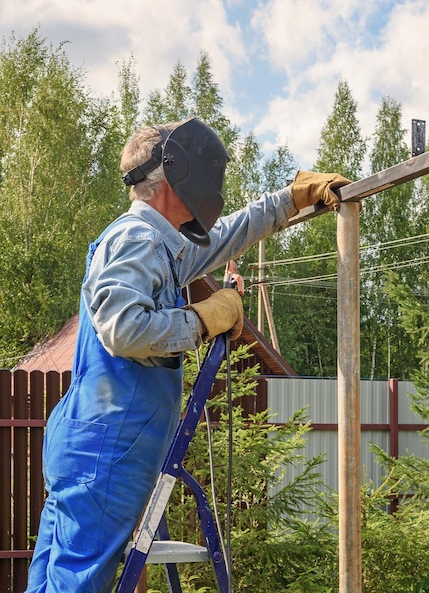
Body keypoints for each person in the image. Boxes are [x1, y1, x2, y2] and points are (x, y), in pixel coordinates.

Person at [25, 117, 350, 592]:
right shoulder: (137, 239)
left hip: (92, 443)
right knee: (76, 585)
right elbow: (123, 329)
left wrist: (288, 199)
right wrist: (202, 320)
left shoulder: (156, 242)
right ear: (174, 173)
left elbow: (224, 239)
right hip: (106, 451)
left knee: (56, 580)